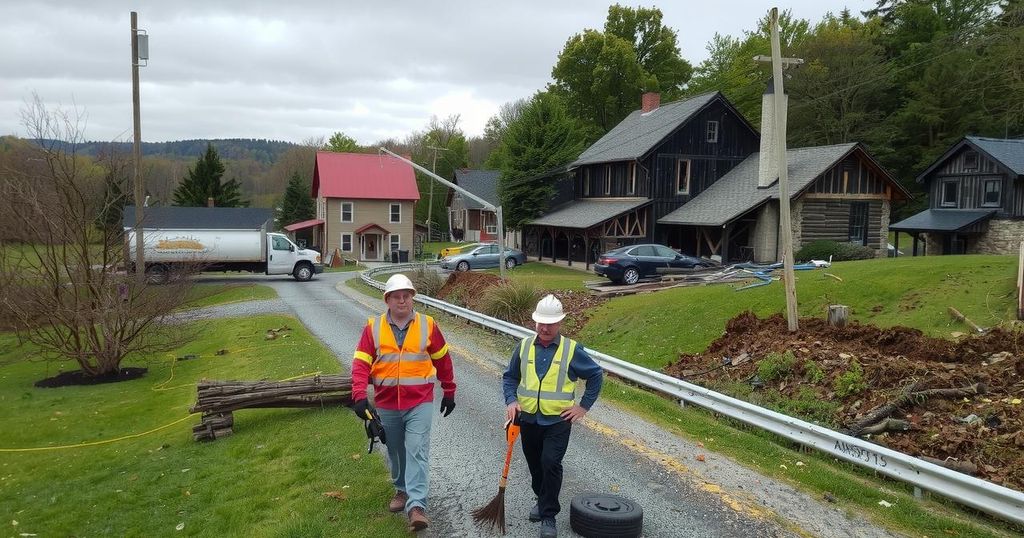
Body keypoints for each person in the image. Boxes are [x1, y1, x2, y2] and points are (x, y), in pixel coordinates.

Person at [351, 273, 457, 532]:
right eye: (396, 297)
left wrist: (449, 390)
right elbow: (361, 362)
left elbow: (442, 359)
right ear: (387, 300)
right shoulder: (373, 327)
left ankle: (417, 506)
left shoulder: (428, 325)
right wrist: (359, 395)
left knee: (417, 448)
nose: (402, 301)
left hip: (419, 401)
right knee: (396, 450)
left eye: (406, 296)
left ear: (412, 298)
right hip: (386, 403)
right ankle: (401, 489)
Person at [502, 294, 604, 538]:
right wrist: (511, 400)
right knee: (535, 465)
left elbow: (595, 375)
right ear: (535, 322)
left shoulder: (571, 350)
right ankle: (542, 498)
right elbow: (510, 377)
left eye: (550, 323)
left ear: (559, 323)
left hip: (558, 421)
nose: (545, 328)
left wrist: (583, 407)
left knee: (550, 463)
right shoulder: (524, 346)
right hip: (527, 419)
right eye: (540, 323)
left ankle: (549, 516)